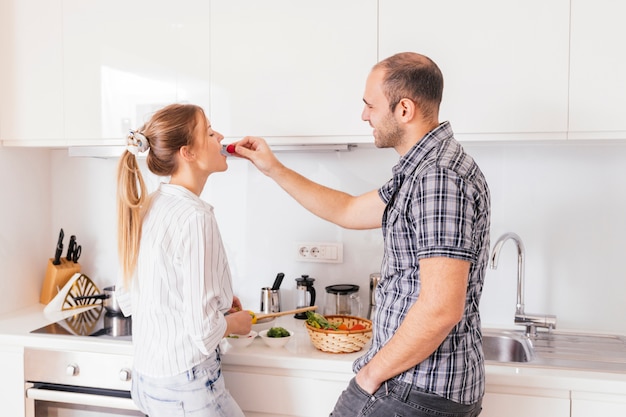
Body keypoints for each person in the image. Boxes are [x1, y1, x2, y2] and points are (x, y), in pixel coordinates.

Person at [230, 52, 490, 417]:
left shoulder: (438, 178)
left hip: (415, 388)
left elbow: (441, 309)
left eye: (370, 105)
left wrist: (369, 376)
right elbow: (348, 210)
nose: (364, 115)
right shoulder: (420, 170)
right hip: (414, 385)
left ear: (404, 109)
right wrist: (274, 169)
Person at [116, 103, 252, 417]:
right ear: (187, 152)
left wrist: (217, 304)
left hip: (148, 381)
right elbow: (204, 333)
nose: (220, 137)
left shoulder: (151, 204)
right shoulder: (194, 216)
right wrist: (234, 323)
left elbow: (132, 297)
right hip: (186, 387)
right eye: (209, 131)